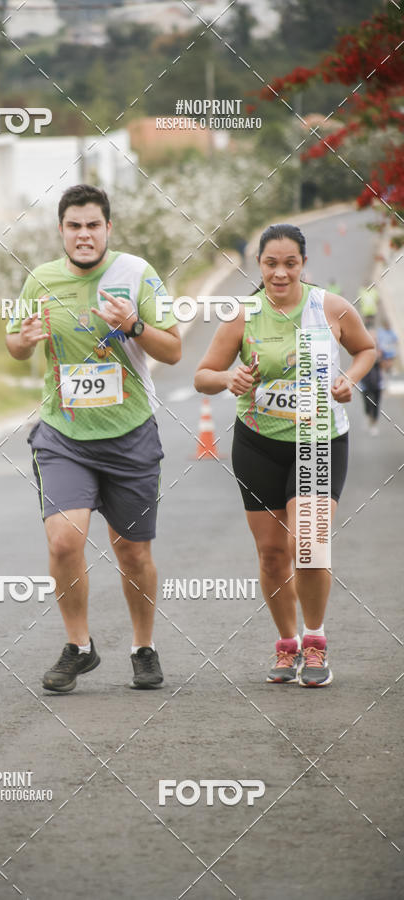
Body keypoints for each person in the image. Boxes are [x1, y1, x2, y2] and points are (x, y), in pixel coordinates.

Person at [6, 184, 181, 692]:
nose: (84, 234)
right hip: (64, 433)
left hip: (129, 433)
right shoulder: (41, 280)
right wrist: (23, 340)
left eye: (93, 225)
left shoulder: (136, 274)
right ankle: (79, 648)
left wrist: (133, 325)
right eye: (74, 226)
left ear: (108, 229)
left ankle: (143, 647)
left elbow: (171, 350)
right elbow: (16, 345)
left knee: (132, 553)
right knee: (64, 541)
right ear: (61, 231)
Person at [194, 223, 375, 687]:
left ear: (303, 264)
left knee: (308, 546)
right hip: (258, 443)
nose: (279, 273)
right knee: (273, 554)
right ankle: (286, 645)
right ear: (259, 265)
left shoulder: (329, 308)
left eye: (289, 264)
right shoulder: (243, 315)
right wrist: (228, 379)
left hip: (319, 441)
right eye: (271, 263)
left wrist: (349, 379)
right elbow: (203, 375)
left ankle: (315, 644)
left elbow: (366, 349)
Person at [359, 315, 399, 435]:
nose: (373, 338)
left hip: (377, 382)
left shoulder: (381, 350)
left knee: (376, 403)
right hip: (365, 382)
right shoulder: (362, 349)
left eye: (374, 337)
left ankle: (374, 424)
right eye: (371, 336)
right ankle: (367, 416)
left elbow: (386, 366)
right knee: (367, 404)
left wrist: (383, 361)